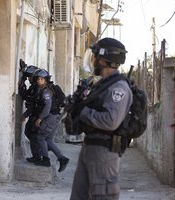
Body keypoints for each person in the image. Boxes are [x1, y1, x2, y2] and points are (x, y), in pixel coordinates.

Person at [70, 37, 133, 199]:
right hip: (90, 147)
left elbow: (110, 121)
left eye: (96, 56)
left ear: (104, 60)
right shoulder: (101, 84)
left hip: (104, 153)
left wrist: (83, 112)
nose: (94, 60)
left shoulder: (118, 87)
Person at [32, 69, 69, 172]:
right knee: (48, 140)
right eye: (38, 79)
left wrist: (40, 118)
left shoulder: (46, 92)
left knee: (40, 138)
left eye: (41, 79)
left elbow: (47, 107)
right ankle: (62, 159)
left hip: (50, 117)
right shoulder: (45, 90)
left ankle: (46, 159)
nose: (39, 81)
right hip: (55, 117)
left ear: (46, 80)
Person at [18, 65, 42, 163]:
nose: (29, 79)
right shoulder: (33, 87)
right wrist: (22, 84)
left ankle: (38, 156)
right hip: (34, 114)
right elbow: (25, 96)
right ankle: (37, 154)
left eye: (30, 77)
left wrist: (25, 115)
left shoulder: (38, 88)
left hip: (37, 115)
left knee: (33, 135)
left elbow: (33, 104)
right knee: (29, 133)